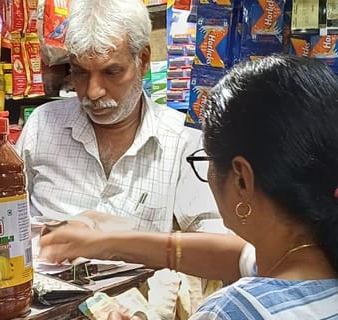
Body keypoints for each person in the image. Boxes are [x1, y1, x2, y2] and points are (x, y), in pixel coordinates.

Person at [41, 56, 338, 319]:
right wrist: (105, 242)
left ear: (242, 178)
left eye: (208, 162)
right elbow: (234, 257)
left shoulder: (235, 311)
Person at [16, 0, 221, 233]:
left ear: (142, 61)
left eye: (111, 72)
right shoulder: (41, 126)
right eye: (80, 72)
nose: (93, 92)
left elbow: (214, 241)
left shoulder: (183, 141)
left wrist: (130, 246)